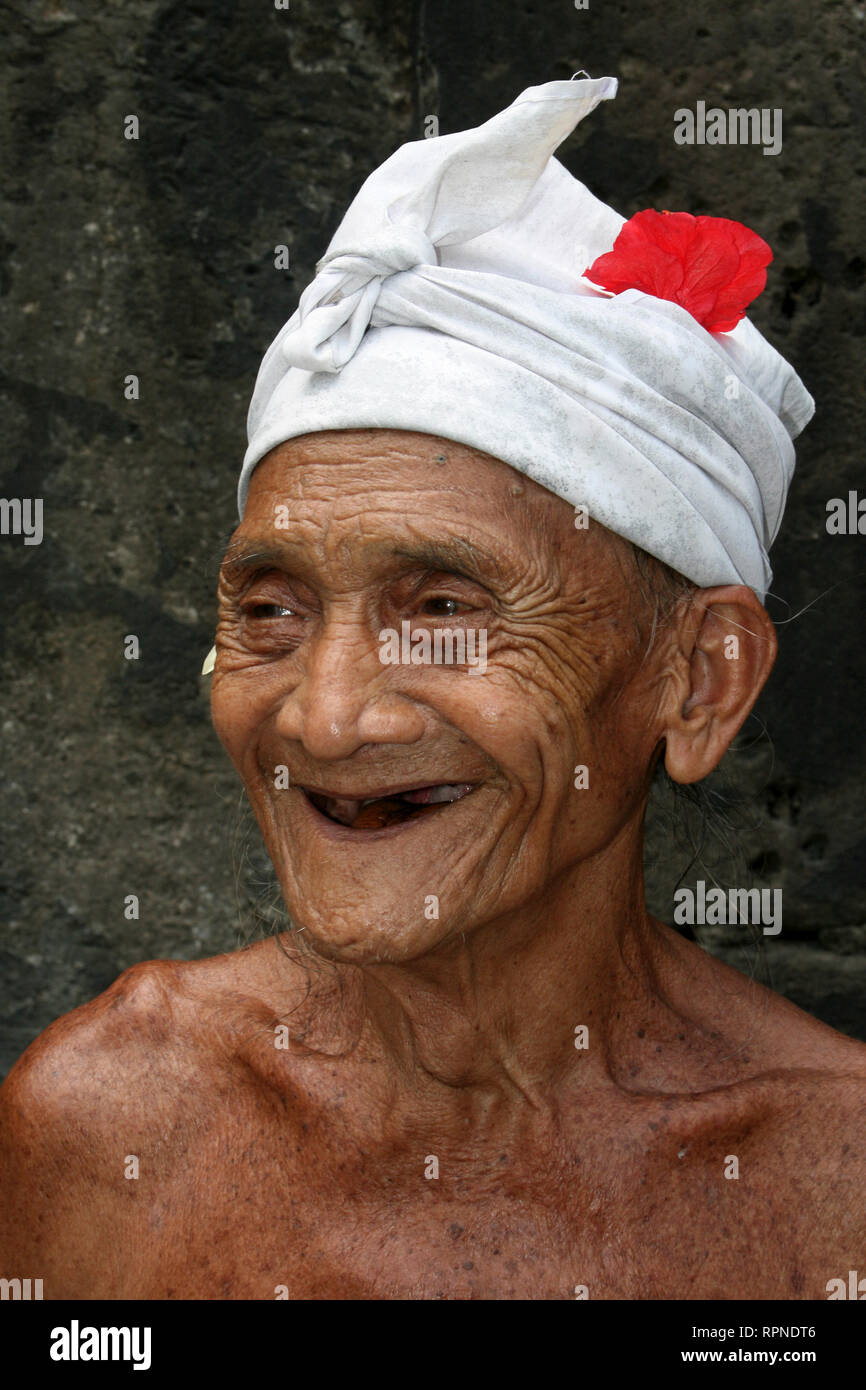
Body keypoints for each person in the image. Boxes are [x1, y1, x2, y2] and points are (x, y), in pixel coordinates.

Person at [1, 75, 863, 1301]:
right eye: (269, 611)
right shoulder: (111, 1121)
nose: (325, 715)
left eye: (445, 611)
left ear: (695, 679)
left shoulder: (834, 1190)